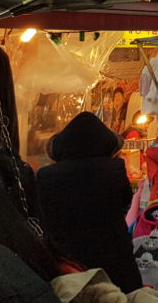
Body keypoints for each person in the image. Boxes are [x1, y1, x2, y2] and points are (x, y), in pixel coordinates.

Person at [36, 111, 142, 292]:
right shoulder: (114, 169)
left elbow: (43, 214)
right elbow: (125, 202)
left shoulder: (46, 175)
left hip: (68, 263)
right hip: (114, 258)